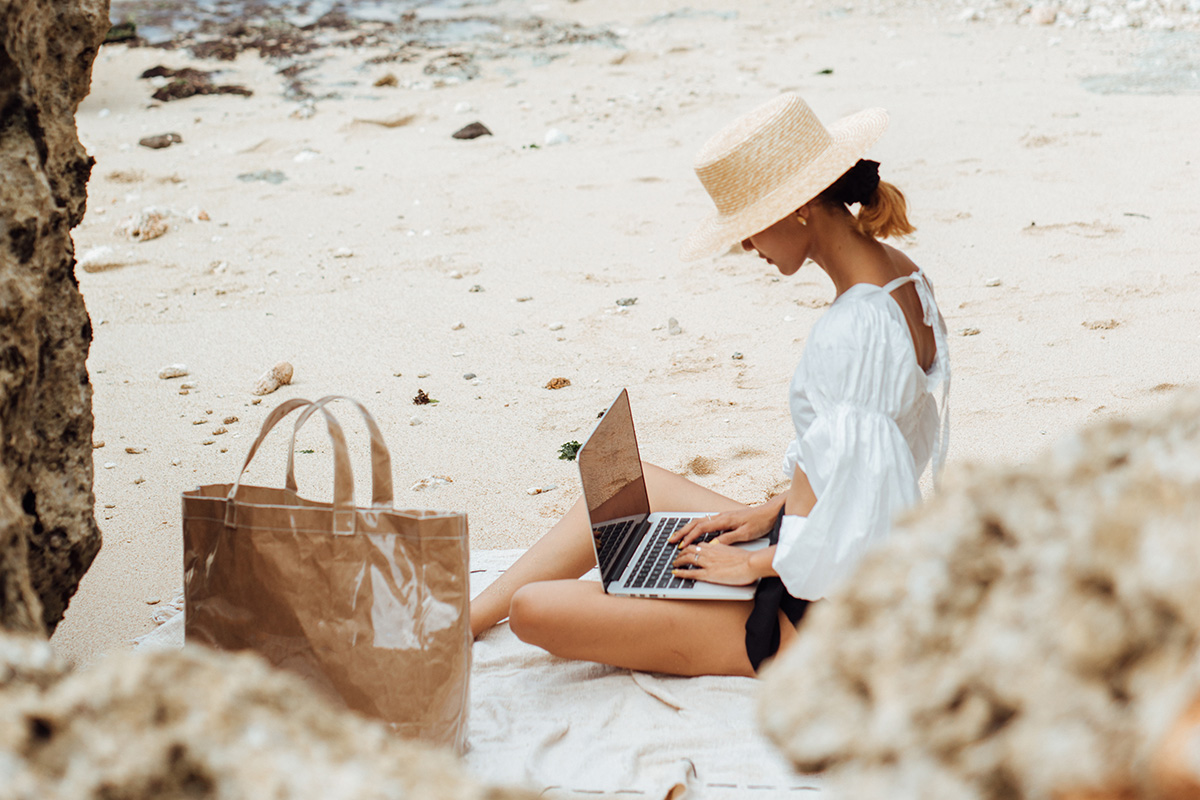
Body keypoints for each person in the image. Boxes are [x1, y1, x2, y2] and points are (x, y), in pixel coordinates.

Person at [469, 92, 950, 677]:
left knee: (533, 610)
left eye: (750, 228)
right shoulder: (904, 280)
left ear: (799, 208)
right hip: (822, 560)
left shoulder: (853, 328)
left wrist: (758, 565)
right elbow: (876, 464)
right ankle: (462, 622)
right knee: (642, 486)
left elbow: (869, 515)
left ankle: (469, 624)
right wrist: (768, 512)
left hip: (827, 620)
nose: (748, 246)